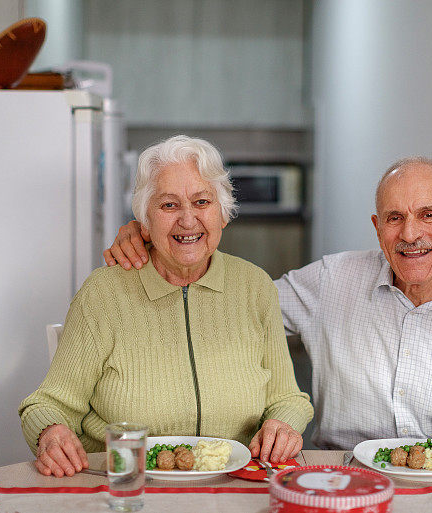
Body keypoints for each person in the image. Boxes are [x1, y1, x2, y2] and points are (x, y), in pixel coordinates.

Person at [104, 156, 432, 462]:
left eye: (429, 215)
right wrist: (157, 239)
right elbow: (230, 305)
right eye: (394, 218)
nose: (410, 233)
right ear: (378, 228)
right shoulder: (333, 282)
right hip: (339, 482)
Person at [20, 135, 313, 477]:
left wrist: (283, 424)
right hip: (128, 484)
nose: (188, 221)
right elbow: (48, 403)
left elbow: (288, 398)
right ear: (144, 222)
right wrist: (51, 432)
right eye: (169, 205)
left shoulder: (254, 287)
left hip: (235, 484)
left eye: (202, 202)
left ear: (223, 213)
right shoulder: (103, 294)